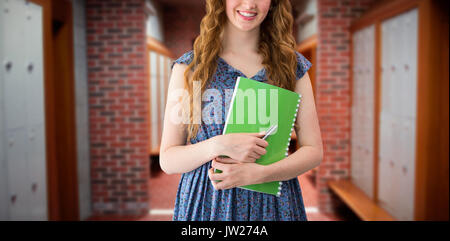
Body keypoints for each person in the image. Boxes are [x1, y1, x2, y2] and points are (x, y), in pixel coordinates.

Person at [159, 0, 323, 221]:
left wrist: (261, 174)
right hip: (209, 203)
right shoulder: (190, 69)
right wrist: (219, 144)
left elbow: (313, 150)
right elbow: (168, 159)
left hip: (273, 205)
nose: (249, 3)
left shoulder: (291, 67)